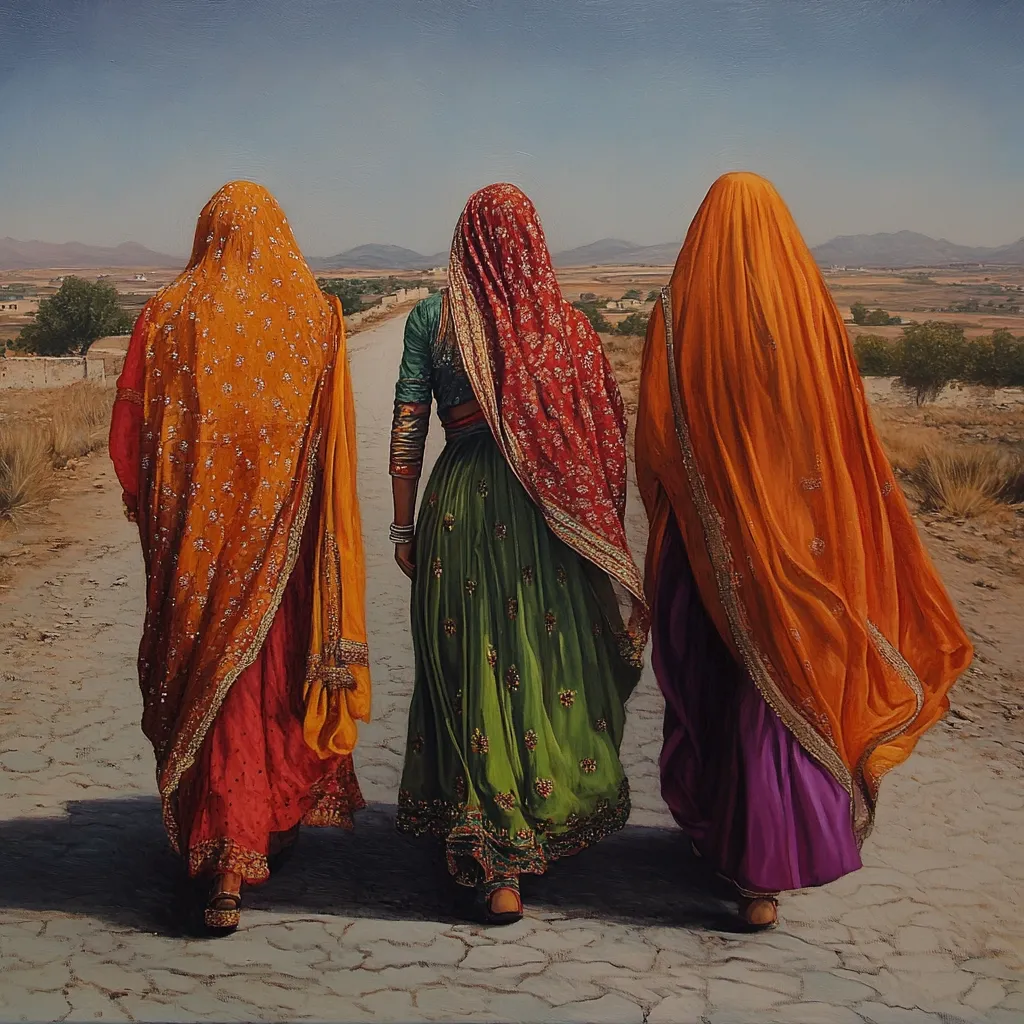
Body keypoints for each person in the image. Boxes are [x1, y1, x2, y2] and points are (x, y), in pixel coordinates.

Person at [635, 171, 973, 930]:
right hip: (798, 539)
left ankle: (730, 847)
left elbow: (655, 440)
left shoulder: (675, 313)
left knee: (723, 688)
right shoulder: (811, 313)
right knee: (784, 688)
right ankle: (764, 877)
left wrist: (676, 508)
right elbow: (842, 434)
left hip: (708, 543)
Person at [109, 180, 371, 934]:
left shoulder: (164, 316)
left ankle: (221, 854)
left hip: (195, 558)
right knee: (267, 686)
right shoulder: (316, 318)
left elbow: (130, 446)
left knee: (217, 694)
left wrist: (164, 516)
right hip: (281, 563)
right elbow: (330, 454)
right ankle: (256, 834)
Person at [389, 183, 648, 924]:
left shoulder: (434, 321)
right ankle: (537, 817)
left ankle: (491, 851)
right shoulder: (567, 328)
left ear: (464, 241)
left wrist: (403, 527)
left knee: (473, 668)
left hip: (460, 510)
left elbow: (408, 431)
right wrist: (592, 528)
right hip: (546, 515)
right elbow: (603, 444)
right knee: (544, 659)